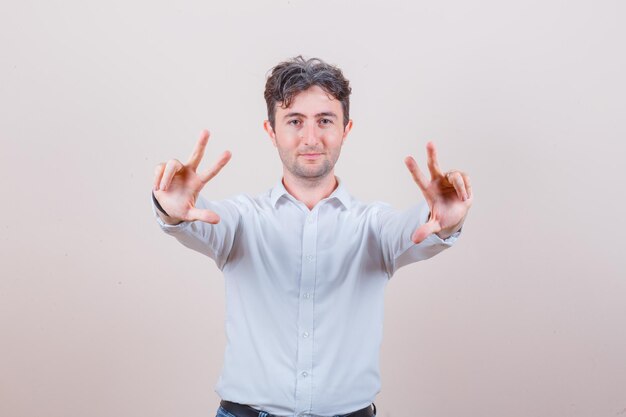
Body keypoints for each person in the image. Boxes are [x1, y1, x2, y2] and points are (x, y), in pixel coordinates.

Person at [151, 56, 472, 417]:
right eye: (294, 121)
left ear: (346, 129)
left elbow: (410, 231)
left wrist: (441, 219)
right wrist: (172, 210)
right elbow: (198, 222)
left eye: (324, 120)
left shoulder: (372, 224)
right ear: (271, 132)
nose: (311, 138)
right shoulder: (243, 219)